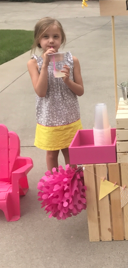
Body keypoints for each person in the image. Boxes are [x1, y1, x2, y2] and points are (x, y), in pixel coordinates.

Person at [27, 17, 84, 171]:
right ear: (38, 39)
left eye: (55, 36)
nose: (51, 41)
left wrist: (68, 81)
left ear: (61, 39)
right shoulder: (34, 63)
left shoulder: (72, 60)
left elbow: (80, 91)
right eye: (46, 36)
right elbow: (41, 91)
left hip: (69, 115)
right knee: (51, 154)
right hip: (49, 117)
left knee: (70, 153)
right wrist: (45, 65)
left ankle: (72, 184)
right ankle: (55, 188)